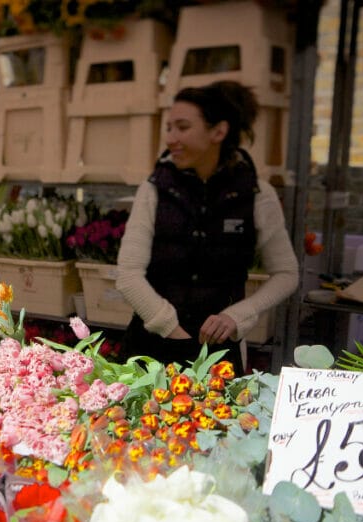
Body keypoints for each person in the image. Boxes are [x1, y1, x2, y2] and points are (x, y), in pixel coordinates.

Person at [115, 80, 298, 374]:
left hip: (219, 353)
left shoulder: (256, 194)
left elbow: (287, 274)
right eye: (169, 128)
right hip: (150, 348)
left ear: (218, 132)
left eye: (182, 127)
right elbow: (127, 274)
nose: (171, 138)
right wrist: (168, 326)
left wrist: (238, 315)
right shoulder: (153, 190)